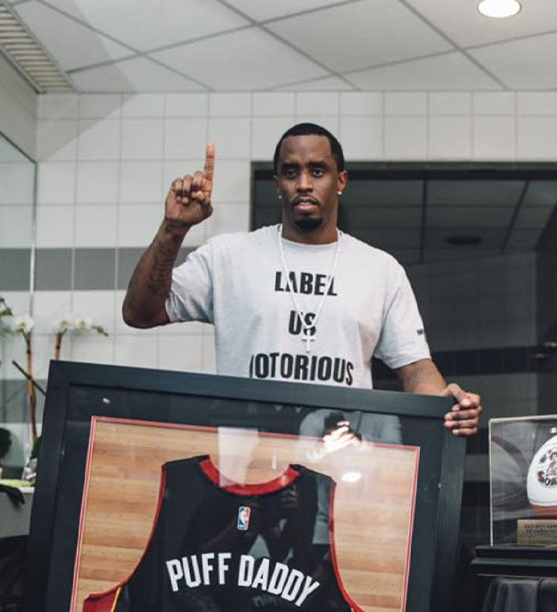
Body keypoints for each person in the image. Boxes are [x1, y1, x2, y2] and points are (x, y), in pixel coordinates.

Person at [122, 122, 482, 436]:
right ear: (278, 183)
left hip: (342, 456)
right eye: (291, 172)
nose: (304, 183)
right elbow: (141, 313)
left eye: (318, 171)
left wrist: (448, 407)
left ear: (340, 181)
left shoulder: (380, 270)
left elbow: (416, 369)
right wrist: (173, 229)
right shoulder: (229, 257)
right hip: (245, 459)